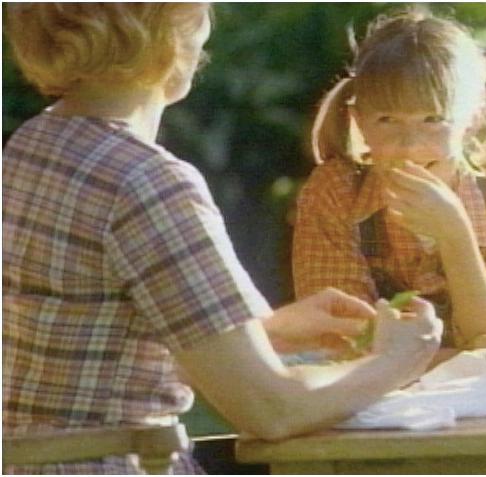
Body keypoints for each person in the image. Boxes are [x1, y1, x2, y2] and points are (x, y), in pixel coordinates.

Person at [2, 4, 443, 474]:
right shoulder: (147, 183)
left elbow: (84, 345)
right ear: (171, 33)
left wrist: (263, 333)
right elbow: (271, 410)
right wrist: (397, 359)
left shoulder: (31, 147)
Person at [293, 10, 486, 356]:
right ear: (360, 122)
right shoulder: (336, 194)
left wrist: (454, 233)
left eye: (433, 119)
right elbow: (341, 340)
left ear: (473, 120)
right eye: (387, 119)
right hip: (371, 387)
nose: (410, 145)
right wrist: (451, 358)